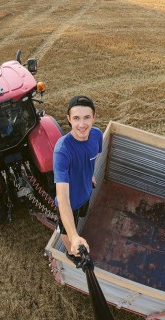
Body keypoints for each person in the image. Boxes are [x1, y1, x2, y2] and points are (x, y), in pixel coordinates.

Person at [53, 95, 103, 263]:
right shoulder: (62, 150)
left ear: (94, 117)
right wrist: (74, 237)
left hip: (86, 193)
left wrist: (90, 175)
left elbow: (92, 157)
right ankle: (72, 253)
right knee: (67, 231)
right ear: (68, 119)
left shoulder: (96, 135)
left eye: (87, 117)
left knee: (81, 216)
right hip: (70, 204)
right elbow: (63, 198)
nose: (82, 124)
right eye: (76, 118)